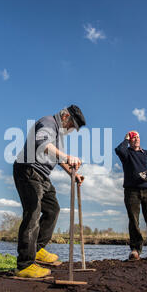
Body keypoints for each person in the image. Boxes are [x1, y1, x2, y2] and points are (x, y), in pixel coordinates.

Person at [13, 105, 86, 278]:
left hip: (42, 175)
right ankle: (25, 265)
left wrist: (72, 174)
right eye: (72, 126)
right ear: (66, 116)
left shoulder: (58, 132)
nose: (71, 130)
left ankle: (37, 249)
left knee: (52, 209)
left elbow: (57, 158)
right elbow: (41, 143)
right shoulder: (48, 122)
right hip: (28, 170)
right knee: (33, 213)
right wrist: (68, 156)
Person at [115, 130, 147, 261]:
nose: (136, 139)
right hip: (131, 191)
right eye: (133, 137)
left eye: (137, 137)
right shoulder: (127, 154)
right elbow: (119, 150)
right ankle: (135, 250)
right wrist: (125, 138)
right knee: (134, 220)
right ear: (129, 140)